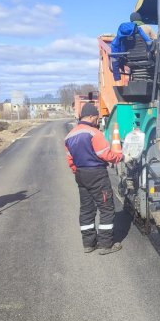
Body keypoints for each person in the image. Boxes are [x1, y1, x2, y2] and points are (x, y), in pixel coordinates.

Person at [64, 103, 124, 255]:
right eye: (96, 118)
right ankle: (105, 245)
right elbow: (105, 154)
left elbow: (70, 160)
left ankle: (89, 244)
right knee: (106, 208)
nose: (97, 121)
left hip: (81, 175)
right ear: (90, 116)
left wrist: (77, 171)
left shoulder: (69, 136)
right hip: (97, 175)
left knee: (86, 209)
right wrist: (121, 157)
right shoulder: (94, 133)